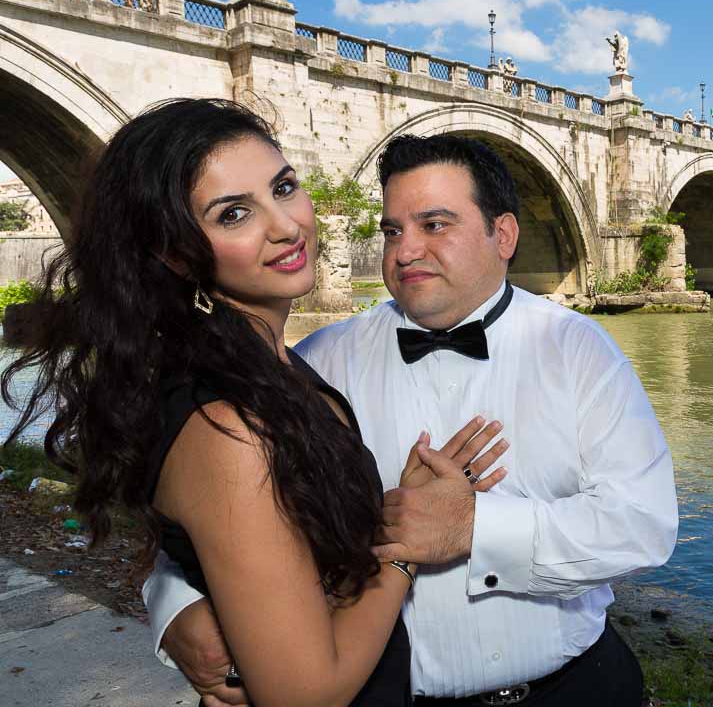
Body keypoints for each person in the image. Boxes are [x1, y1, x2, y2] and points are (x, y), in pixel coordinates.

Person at [2, 99, 509, 707]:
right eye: (234, 213)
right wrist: (405, 550)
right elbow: (305, 696)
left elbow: (235, 547)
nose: (286, 225)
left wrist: (178, 599)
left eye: (284, 187)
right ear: (175, 251)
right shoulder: (229, 426)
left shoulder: (275, 368)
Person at [148, 133, 680, 706]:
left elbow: (643, 523)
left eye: (435, 225)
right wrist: (174, 603)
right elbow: (215, 506)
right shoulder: (317, 362)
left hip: (578, 686)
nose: (404, 252)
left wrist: (475, 528)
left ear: (502, 235)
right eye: (392, 231)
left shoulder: (579, 349)